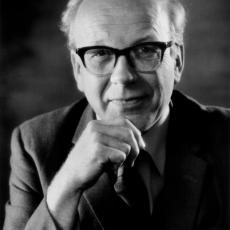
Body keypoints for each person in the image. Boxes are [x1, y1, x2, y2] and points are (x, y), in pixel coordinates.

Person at [3, 0, 230, 229]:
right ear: (78, 69)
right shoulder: (33, 145)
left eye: (145, 50)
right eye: (100, 53)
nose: (122, 76)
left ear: (177, 60)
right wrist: (66, 186)